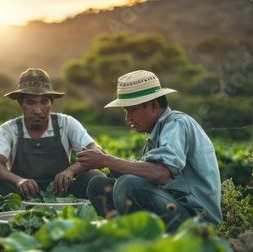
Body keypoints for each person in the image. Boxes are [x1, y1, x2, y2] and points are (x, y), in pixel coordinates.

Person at [76, 70, 222, 232]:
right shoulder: (158, 132)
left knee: (127, 184)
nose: (127, 117)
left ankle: (144, 241)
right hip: (172, 206)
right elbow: (141, 173)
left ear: (153, 106)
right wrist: (103, 160)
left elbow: (160, 174)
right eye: (125, 111)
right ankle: (125, 235)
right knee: (98, 185)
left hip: (195, 220)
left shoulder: (176, 124)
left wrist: (107, 160)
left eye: (131, 110)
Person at [0, 68, 105, 200]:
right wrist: (18, 181)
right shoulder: (8, 129)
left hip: (63, 193)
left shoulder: (66, 123)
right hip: (21, 195)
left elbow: (95, 150)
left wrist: (70, 171)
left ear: (52, 102)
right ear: (20, 103)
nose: (38, 110)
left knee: (95, 177)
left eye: (44, 102)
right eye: (31, 103)